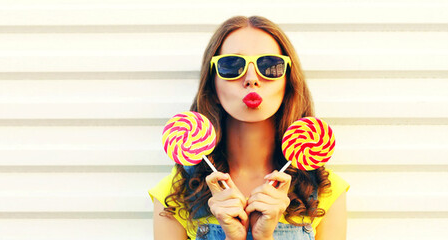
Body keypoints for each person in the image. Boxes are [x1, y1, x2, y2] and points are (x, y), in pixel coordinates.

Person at [149, 16, 349, 240]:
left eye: (270, 66)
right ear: (212, 84)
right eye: (232, 66)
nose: (252, 78)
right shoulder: (176, 193)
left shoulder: (325, 191)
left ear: (288, 81)